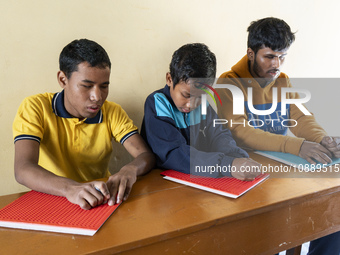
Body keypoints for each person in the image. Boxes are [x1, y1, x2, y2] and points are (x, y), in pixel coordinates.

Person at [216, 17, 340, 255]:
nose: (277, 64)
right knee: (268, 237)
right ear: (251, 54)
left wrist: (323, 139)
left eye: (282, 56)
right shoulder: (229, 82)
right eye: (270, 56)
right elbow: (241, 132)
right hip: (249, 178)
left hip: (283, 172)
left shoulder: (282, 81)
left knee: (332, 216)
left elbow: (302, 117)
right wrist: (296, 145)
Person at [13, 39, 155, 210]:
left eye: (104, 86)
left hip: (99, 200)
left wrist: (129, 170)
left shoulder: (112, 112)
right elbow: (23, 169)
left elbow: (145, 155)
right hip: (51, 199)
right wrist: (70, 188)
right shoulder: (36, 107)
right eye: (87, 86)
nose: (97, 96)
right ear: (63, 79)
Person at [141, 43, 261, 181]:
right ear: (169, 79)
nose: (192, 104)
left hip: (200, 176)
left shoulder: (202, 105)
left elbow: (219, 135)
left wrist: (236, 157)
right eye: (186, 95)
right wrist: (226, 164)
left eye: (200, 96)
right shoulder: (157, 103)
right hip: (164, 182)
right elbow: (174, 153)